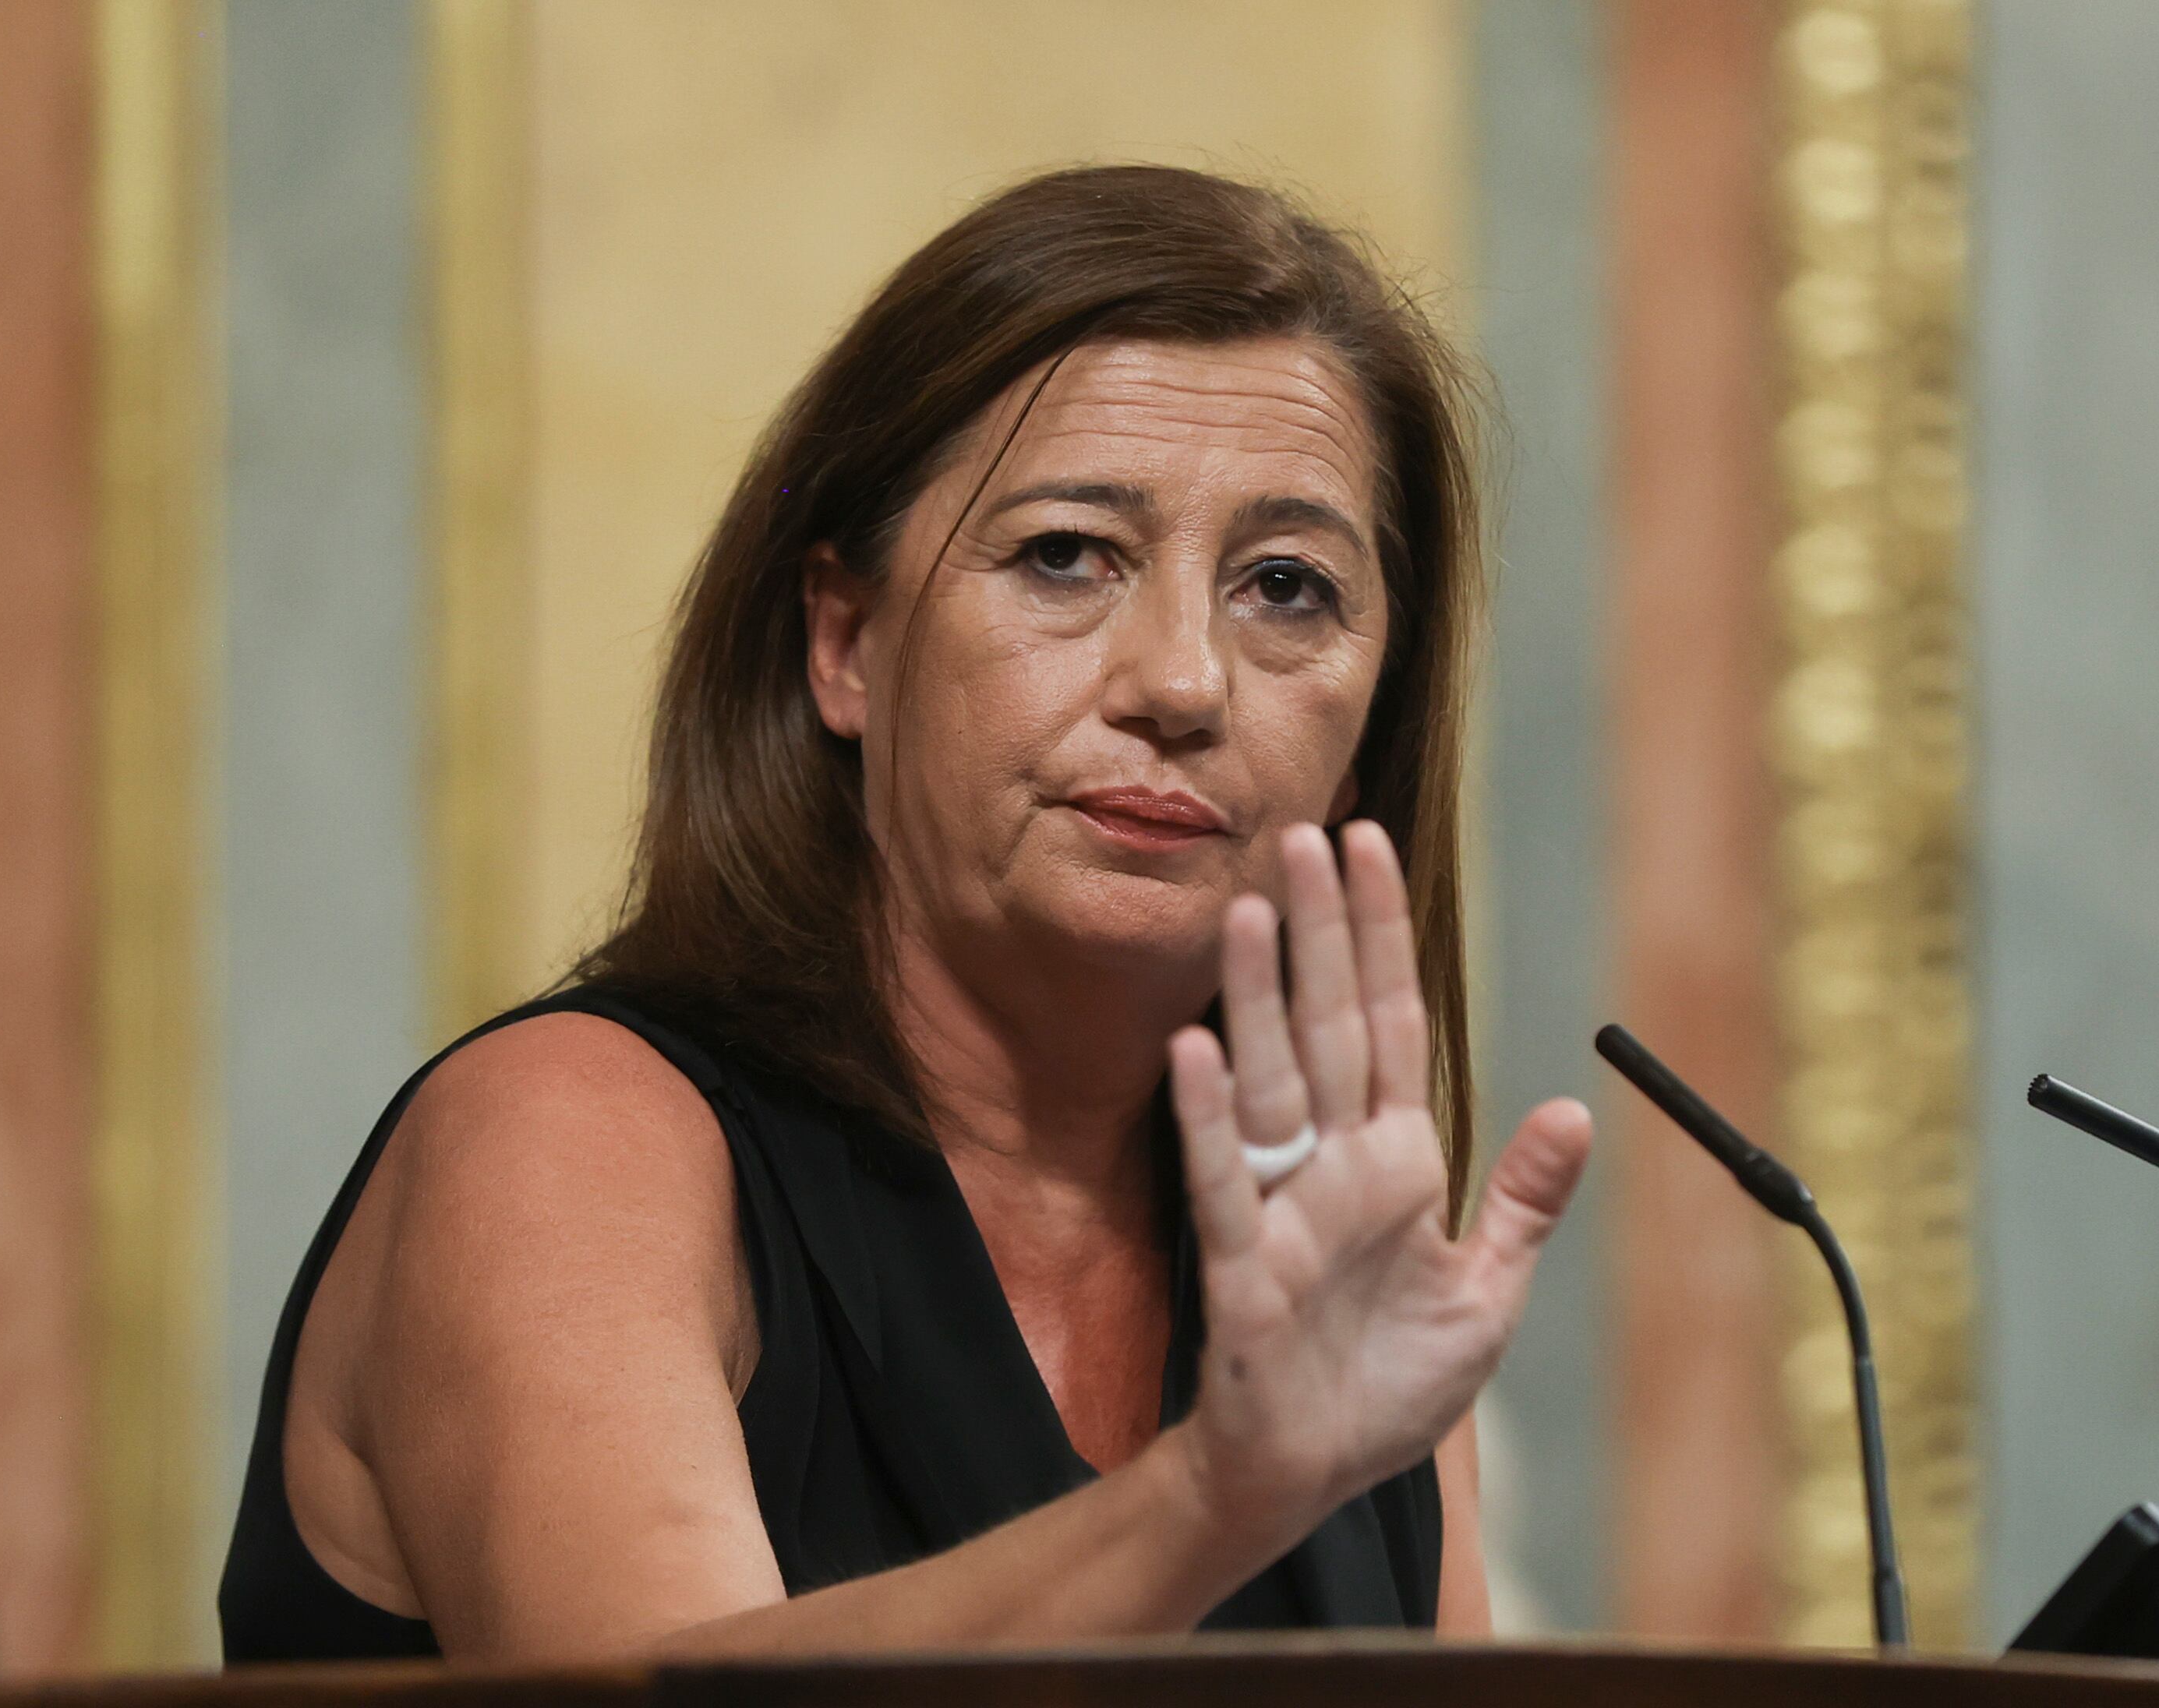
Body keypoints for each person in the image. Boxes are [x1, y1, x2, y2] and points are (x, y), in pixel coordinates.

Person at [218, 164, 1592, 1664]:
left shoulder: (1327, 1245)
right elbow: (656, 1700)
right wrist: (1212, 1497)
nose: (1186, 682)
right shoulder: (571, 1139)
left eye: (1285, 586)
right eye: (1069, 555)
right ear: (847, 643)